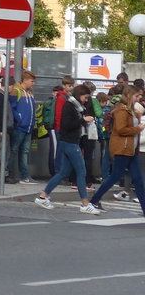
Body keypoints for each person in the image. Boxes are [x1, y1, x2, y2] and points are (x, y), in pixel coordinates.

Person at [35, 83, 99, 213]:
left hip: (68, 141)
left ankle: (43, 196)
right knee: (81, 172)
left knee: (63, 173)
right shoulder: (70, 106)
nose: (86, 100)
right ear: (80, 95)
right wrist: (83, 120)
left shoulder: (74, 106)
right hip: (70, 142)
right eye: (85, 97)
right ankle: (85, 204)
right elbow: (67, 124)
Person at [89, 85, 145, 216]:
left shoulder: (129, 110)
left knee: (137, 179)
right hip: (123, 148)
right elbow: (121, 129)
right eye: (137, 96)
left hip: (130, 149)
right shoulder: (122, 110)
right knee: (116, 176)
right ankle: (94, 200)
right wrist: (138, 129)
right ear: (130, 95)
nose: (139, 98)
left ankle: (94, 200)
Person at [8, 70, 37, 184]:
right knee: (15, 150)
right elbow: (12, 108)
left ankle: (23, 175)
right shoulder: (16, 91)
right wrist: (19, 120)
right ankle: (10, 174)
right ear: (25, 80)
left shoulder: (30, 93)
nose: (33, 83)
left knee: (22, 151)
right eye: (32, 81)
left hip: (28, 126)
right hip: (20, 126)